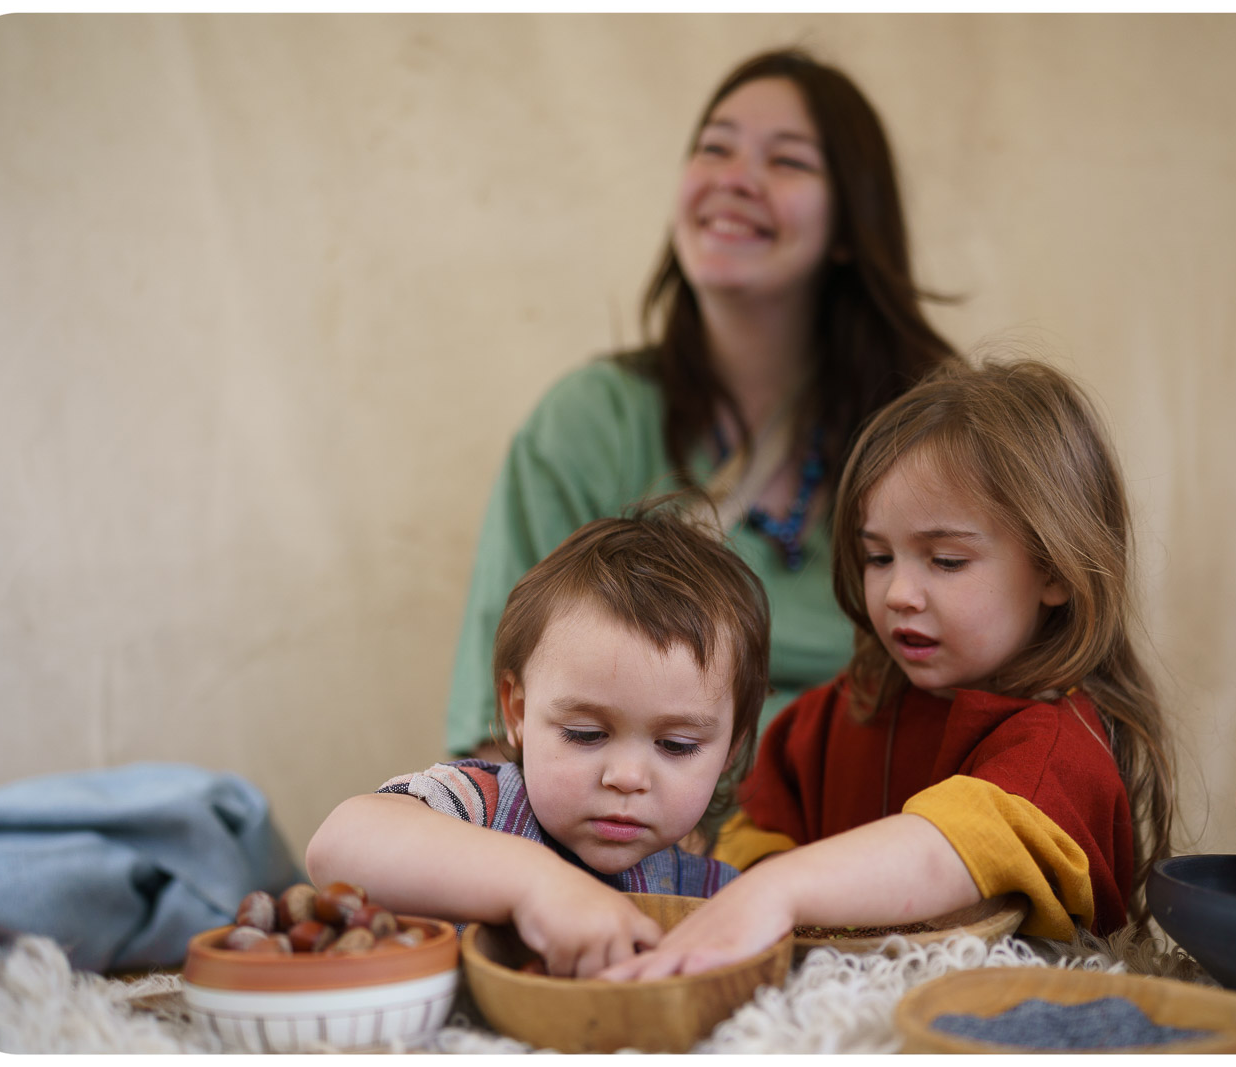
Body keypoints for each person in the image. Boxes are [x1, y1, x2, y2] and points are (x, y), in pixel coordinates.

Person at [444, 47, 956, 760]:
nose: (735, 179)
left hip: (891, 816)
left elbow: (1012, 677)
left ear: (849, 224)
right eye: (714, 148)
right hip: (629, 829)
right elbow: (498, 732)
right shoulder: (591, 422)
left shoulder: (933, 434)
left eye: (788, 160)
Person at [600, 359, 1176, 981]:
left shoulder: (1058, 751)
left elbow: (948, 851)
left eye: (946, 560)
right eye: (878, 556)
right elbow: (758, 826)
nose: (899, 592)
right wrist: (755, 877)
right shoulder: (846, 708)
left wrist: (780, 890)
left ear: (1056, 571)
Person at [305, 501, 771, 977]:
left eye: (677, 745)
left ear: (731, 749)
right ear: (518, 712)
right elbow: (338, 845)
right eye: (586, 734)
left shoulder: (707, 895)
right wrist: (535, 883)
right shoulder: (477, 807)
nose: (627, 777)